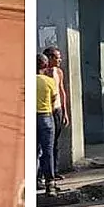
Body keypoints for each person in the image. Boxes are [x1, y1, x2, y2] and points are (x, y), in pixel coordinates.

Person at [36, 53, 61, 194]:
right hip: (46, 117)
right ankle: (50, 184)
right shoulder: (49, 81)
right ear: (45, 65)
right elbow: (53, 101)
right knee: (48, 151)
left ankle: (34, 181)